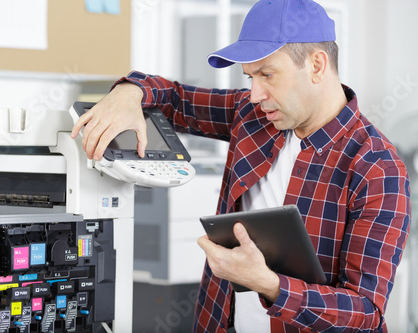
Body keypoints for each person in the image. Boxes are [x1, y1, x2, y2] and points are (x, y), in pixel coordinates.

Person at [71, 0, 411, 331]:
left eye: (267, 74)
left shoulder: (377, 168)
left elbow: (365, 312)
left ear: (317, 66)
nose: (254, 94)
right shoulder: (252, 116)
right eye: (250, 77)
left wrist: (270, 285)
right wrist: (128, 93)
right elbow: (174, 98)